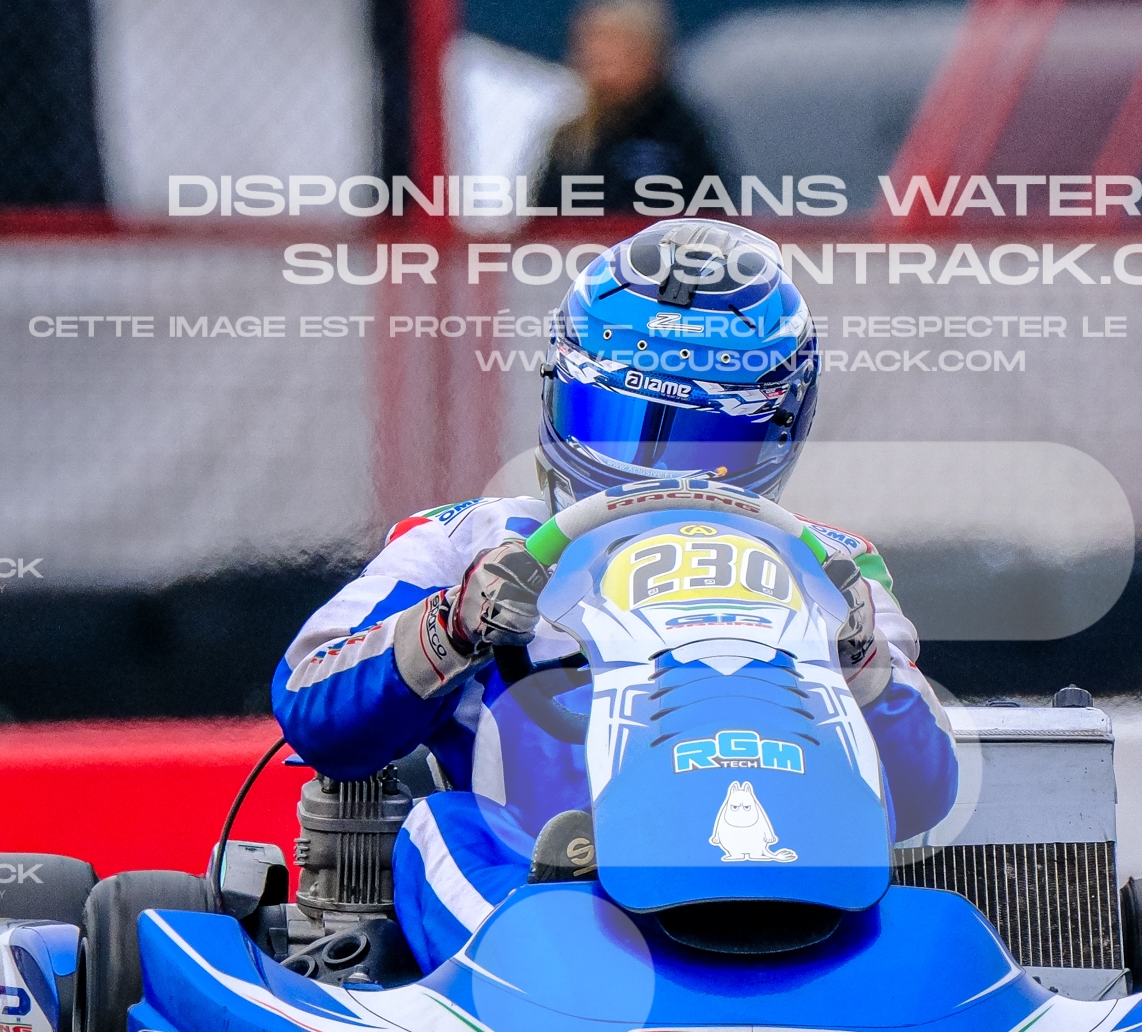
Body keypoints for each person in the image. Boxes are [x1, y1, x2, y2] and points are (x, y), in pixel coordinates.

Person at [272, 218, 959, 972]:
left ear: (778, 432)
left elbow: (925, 793)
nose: (655, 471)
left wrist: (858, 658)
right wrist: (456, 622)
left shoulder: (833, 568)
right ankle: (537, 968)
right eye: (620, 424)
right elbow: (310, 701)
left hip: (803, 887)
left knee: (939, 910)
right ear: (560, 396)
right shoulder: (471, 542)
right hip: (537, 888)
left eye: (704, 440)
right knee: (439, 824)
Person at [531, 0, 726, 218]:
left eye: (614, 44)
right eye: (588, 47)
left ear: (651, 53)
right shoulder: (568, 138)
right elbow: (545, 222)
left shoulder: (683, 134)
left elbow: (710, 220)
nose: (598, 59)